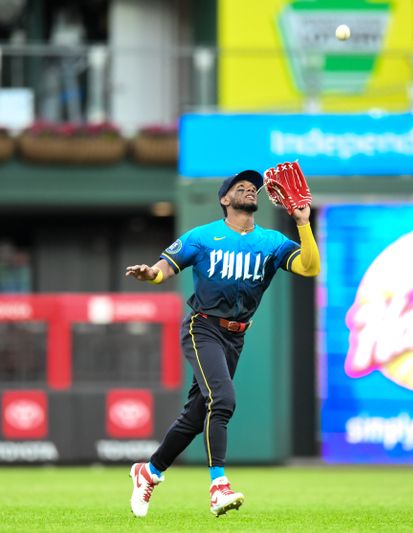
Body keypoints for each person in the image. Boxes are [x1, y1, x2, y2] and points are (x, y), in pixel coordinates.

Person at [124, 169, 320, 518]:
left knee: (197, 415)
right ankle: (218, 487)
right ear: (224, 199)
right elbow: (162, 270)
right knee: (223, 400)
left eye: (252, 187)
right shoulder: (202, 236)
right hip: (203, 328)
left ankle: (149, 471)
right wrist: (150, 275)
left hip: (235, 335)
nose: (248, 189)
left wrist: (303, 223)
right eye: (238, 187)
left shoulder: (272, 241)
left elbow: (309, 267)